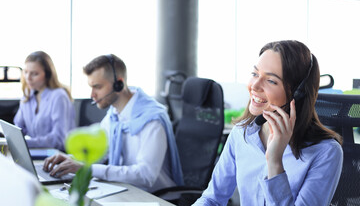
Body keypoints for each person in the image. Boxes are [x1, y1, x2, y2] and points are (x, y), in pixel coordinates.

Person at [193, 40, 343, 206]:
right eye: (255, 74)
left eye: (271, 81)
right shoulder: (241, 134)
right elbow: (212, 198)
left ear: (298, 94)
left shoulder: (326, 153)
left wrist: (275, 162)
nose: (254, 86)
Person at [43, 54, 183, 193]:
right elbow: (100, 153)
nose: (92, 94)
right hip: (125, 190)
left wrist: (87, 169)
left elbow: (146, 175)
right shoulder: (114, 115)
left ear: (119, 84)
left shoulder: (151, 119)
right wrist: (70, 161)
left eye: (97, 87)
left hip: (154, 197)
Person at [14, 51, 76, 151]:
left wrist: (27, 143)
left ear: (47, 74)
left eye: (34, 74)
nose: (28, 78)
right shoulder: (27, 94)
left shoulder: (59, 96)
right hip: (38, 151)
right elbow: (19, 127)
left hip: (58, 155)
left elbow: (58, 139)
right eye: (26, 72)